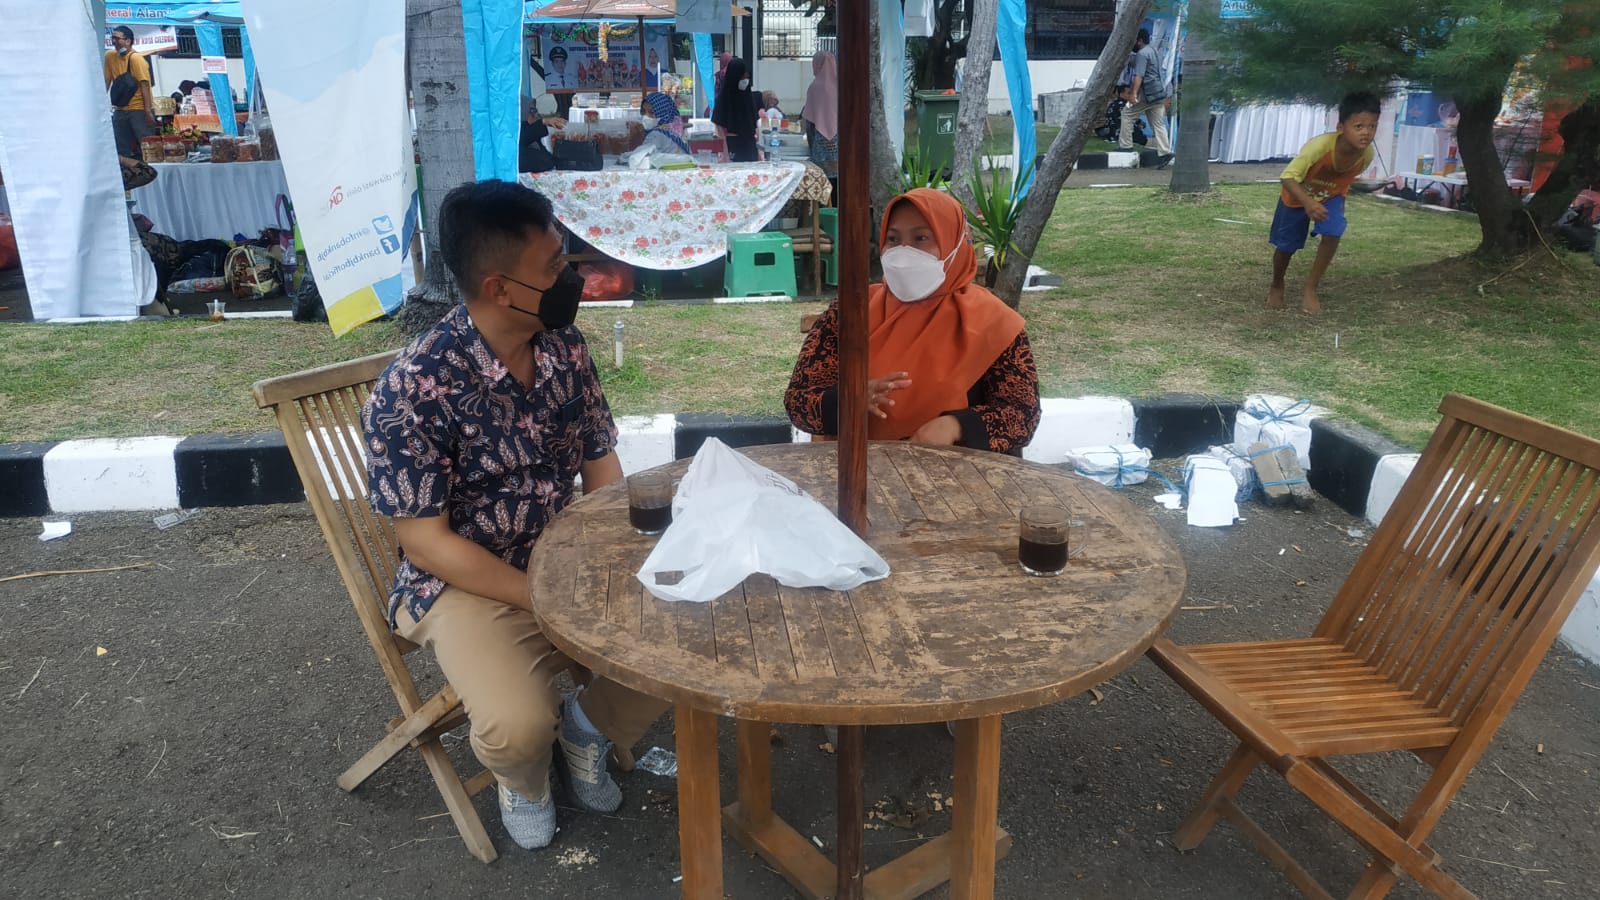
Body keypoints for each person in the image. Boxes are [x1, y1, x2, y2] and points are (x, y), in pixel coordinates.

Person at [361, 180, 669, 851]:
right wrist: (542, 596)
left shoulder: (565, 348)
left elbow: (599, 459)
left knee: (685, 630)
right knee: (516, 729)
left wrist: (618, 549)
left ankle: (587, 728)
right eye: (554, 267)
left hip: (561, 552)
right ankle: (525, 782)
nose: (571, 277)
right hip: (462, 581)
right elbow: (427, 544)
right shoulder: (413, 389)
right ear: (499, 288)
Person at [785, 188, 1041, 453]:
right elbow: (798, 401)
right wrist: (849, 399)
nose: (903, 251)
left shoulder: (992, 321)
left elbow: (1023, 415)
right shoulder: (851, 311)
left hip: (958, 471)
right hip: (858, 467)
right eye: (893, 239)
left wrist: (957, 426)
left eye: (921, 238)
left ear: (954, 245)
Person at [1267, 91, 1380, 314]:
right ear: (1341, 127)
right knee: (1286, 246)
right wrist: (1308, 202)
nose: (1366, 132)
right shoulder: (1319, 147)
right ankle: (1277, 283)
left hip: (1330, 196)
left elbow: (1345, 180)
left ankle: (1311, 288)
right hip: (1297, 195)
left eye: (1372, 126)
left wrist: (1337, 201)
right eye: (1359, 126)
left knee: (1333, 230)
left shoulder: (1366, 155)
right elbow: (1287, 177)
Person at [1118, 29, 1172, 167]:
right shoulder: (1153, 50)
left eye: (1134, 41)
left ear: (1140, 41)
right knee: (1158, 124)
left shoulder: (1142, 54)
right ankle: (1165, 152)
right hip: (1158, 92)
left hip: (1146, 94)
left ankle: (1126, 146)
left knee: (1127, 114)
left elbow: (1139, 76)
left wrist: (1133, 94)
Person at [104, 25, 158, 159]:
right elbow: (106, 81)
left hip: (138, 109)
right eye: (112, 38)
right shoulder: (110, 56)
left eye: (118, 39)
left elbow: (145, 85)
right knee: (121, 149)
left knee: (147, 145)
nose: (114, 42)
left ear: (128, 41)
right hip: (120, 109)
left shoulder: (135, 58)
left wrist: (147, 111)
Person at [711, 57, 760, 162]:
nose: (745, 80)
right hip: (732, 146)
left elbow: (754, 123)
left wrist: (759, 152)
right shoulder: (724, 100)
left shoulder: (748, 96)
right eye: (742, 77)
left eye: (746, 77)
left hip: (749, 146)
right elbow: (720, 129)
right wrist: (725, 156)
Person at [802, 51, 839, 179]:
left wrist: (811, 144)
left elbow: (809, 120)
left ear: (817, 65)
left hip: (820, 139)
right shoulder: (842, 86)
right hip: (840, 139)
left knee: (821, 177)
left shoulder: (815, 87)